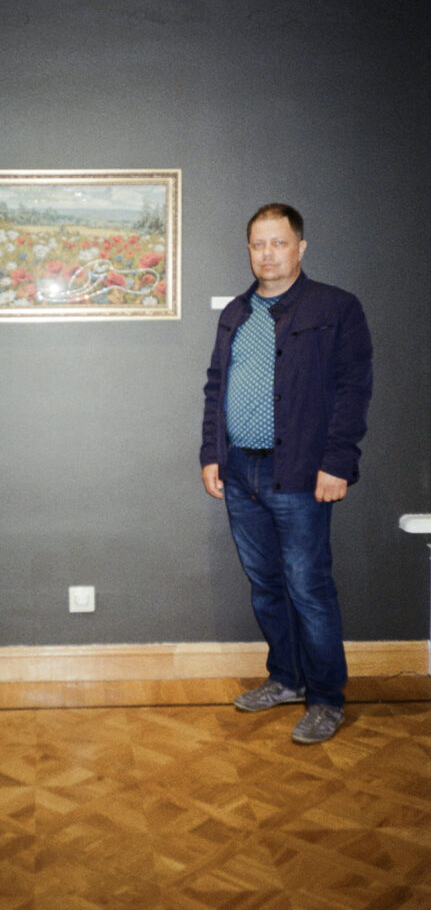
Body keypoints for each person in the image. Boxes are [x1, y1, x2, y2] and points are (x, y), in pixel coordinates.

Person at [200, 204, 372, 744]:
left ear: (301, 247)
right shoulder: (235, 312)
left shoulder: (335, 307)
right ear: (248, 250)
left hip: (299, 472)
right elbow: (216, 385)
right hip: (240, 471)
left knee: (309, 587)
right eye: (258, 244)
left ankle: (325, 698)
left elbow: (354, 389)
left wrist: (337, 462)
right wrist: (211, 453)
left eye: (278, 242)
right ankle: (287, 678)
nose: (267, 253)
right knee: (267, 585)